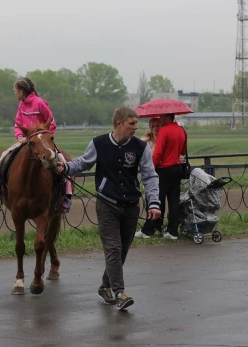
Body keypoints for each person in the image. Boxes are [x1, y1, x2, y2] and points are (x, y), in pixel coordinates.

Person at [56, 106, 161, 310]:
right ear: (119, 123)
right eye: (132, 123)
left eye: (136, 124)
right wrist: (66, 167)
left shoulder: (141, 147)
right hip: (107, 205)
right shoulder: (99, 143)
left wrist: (154, 203)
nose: (135, 127)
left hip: (131, 206)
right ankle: (119, 293)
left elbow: (150, 176)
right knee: (113, 248)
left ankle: (105, 286)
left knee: (121, 251)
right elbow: (83, 162)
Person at [0, 77, 73, 211]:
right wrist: (19, 137)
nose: (15, 93)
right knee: (4, 156)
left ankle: (67, 195)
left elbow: (51, 122)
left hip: (42, 142)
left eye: (15, 90)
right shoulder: (21, 105)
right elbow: (18, 124)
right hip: (25, 141)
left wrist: (45, 138)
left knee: (62, 160)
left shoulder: (40, 103)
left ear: (22, 91)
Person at [135, 113, 187, 240]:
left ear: (167, 117)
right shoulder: (181, 130)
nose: (160, 119)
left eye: (162, 117)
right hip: (177, 168)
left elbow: (157, 153)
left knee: (156, 199)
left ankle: (149, 230)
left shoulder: (164, 130)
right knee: (174, 201)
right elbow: (183, 151)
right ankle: (172, 231)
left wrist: (151, 169)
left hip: (163, 169)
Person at [139, 118, 163, 236]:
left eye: (158, 126)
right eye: (153, 126)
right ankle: (152, 227)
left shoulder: (164, 139)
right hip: (151, 173)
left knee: (158, 201)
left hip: (162, 172)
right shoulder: (146, 140)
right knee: (151, 199)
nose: (155, 129)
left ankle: (155, 227)